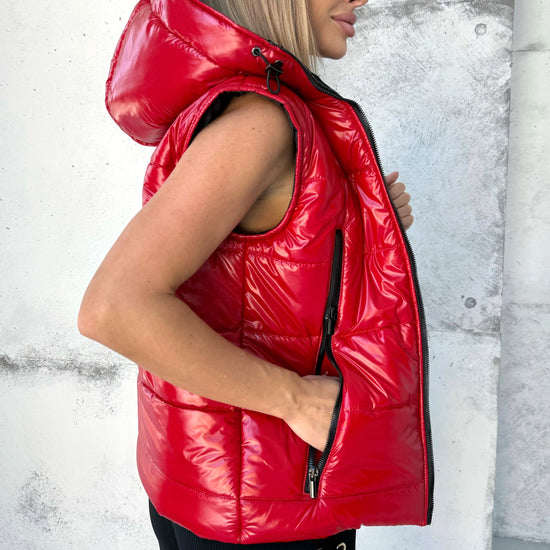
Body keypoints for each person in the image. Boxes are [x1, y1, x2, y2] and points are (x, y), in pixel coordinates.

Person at [78, 0, 434, 548]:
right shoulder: (262, 121)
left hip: (228, 487)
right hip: (267, 502)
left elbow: (251, 270)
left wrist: (360, 222)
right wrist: (297, 400)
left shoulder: (248, 112)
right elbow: (115, 307)